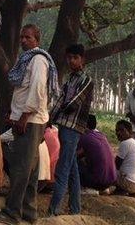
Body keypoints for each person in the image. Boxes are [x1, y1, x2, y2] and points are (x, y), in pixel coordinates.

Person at [0, 24, 58, 225]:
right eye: (21, 37)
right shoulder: (27, 59)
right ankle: (29, 213)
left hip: (30, 121)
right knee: (30, 169)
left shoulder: (38, 60)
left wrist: (23, 117)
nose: (22, 41)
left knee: (21, 168)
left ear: (36, 40)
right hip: (28, 119)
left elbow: (37, 90)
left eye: (27, 37)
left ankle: (12, 212)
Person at [48, 44, 94, 216]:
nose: (71, 61)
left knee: (62, 169)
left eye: (75, 58)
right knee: (72, 169)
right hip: (63, 126)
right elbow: (59, 101)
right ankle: (75, 210)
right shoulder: (69, 80)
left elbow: (72, 103)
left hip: (73, 128)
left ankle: (53, 211)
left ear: (82, 59)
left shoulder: (86, 80)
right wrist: (49, 119)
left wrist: (56, 113)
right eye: (69, 58)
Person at [77, 115, 117, 194]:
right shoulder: (101, 136)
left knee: (72, 162)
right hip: (110, 181)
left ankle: (88, 188)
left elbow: (74, 155)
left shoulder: (84, 137)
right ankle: (103, 188)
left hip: (97, 182)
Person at [114, 120, 135, 196]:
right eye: (117, 130)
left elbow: (116, 165)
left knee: (107, 172)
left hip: (129, 184)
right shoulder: (134, 142)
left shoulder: (125, 143)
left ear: (130, 132)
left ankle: (120, 190)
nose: (118, 133)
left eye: (122, 130)